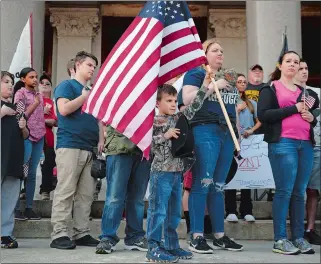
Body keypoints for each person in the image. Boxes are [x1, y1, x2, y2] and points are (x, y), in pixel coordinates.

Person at [180, 38, 243, 253]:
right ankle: (197, 235)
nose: (220, 53)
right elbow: (187, 100)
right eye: (215, 50)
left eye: (222, 50)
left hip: (226, 133)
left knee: (218, 186)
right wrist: (211, 85)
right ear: (204, 54)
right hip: (204, 129)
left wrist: (237, 132)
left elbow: (232, 107)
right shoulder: (196, 74)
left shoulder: (228, 78)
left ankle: (219, 234)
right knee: (202, 182)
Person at [146, 75, 215, 262]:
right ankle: (153, 247)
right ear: (158, 103)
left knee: (173, 213)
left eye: (175, 101)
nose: (173, 104)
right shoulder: (153, 122)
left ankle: (171, 245)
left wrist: (206, 85)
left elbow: (193, 107)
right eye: (168, 101)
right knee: (157, 210)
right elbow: (148, 145)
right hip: (161, 172)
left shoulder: (179, 118)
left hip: (177, 173)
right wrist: (165, 136)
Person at [258, 51, 319, 255]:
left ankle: (299, 237)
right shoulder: (271, 88)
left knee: (299, 192)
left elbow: (310, 117)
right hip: (283, 143)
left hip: (306, 144)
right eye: (288, 61)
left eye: (296, 62)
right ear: (280, 65)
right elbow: (264, 115)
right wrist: (294, 108)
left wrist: (312, 118)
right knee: (284, 191)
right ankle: (280, 239)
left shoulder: (305, 92)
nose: (293, 65)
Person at [50, 51, 104, 249]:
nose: (92, 69)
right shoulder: (67, 86)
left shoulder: (90, 90)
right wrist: (84, 98)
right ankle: (59, 233)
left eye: (94, 66)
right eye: (89, 65)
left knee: (86, 194)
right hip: (70, 145)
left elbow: (98, 117)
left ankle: (81, 232)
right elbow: (63, 110)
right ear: (78, 65)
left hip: (90, 147)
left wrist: (100, 140)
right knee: (65, 191)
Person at [95, 134, 150, 252]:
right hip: (118, 145)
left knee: (137, 198)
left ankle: (135, 237)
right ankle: (107, 237)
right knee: (114, 197)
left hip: (143, 148)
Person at [225, 73, 261, 223]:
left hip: (249, 141)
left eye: (244, 82)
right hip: (233, 141)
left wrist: (251, 130)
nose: (242, 84)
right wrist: (237, 110)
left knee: (247, 175)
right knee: (231, 175)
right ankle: (231, 210)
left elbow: (259, 121)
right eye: (239, 82)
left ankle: (247, 210)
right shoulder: (229, 101)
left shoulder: (252, 102)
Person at [294, 60, 321, 245]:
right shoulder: (284, 92)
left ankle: (310, 228)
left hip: (315, 145)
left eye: (305, 68)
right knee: (293, 189)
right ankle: (295, 229)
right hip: (291, 145)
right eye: (299, 68)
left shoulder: (317, 93)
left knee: (312, 189)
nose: (303, 71)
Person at [1, 71, 29, 248]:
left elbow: (26, 136)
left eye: (11, 82)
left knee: (9, 197)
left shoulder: (16, 109)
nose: (10, 85)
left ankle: (4, 234)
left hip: (12, 159)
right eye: (5, 82)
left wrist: (24, 126)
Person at [14, 67, 46, 221]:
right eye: (31, 77)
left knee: (32, 174)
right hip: (26, 137)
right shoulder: (20, 94)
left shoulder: (39, 94)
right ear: (23, 79)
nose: (34, 79)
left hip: (40, 136)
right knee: (21, 173)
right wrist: (35, 104)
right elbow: (20, 116)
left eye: (36, 77)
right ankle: (14, 208)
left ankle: (29, 208)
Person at [38, 74, 57, 200]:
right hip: (33, 137)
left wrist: (40, 118)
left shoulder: (53, 102)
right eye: (42, 83)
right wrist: (41, 113)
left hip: (48, 138)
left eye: (47, 84)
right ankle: (24, 190)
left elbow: (55, 122)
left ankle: (45, 190)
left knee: (49, 162)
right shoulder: (33, 99)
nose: (44, 86)